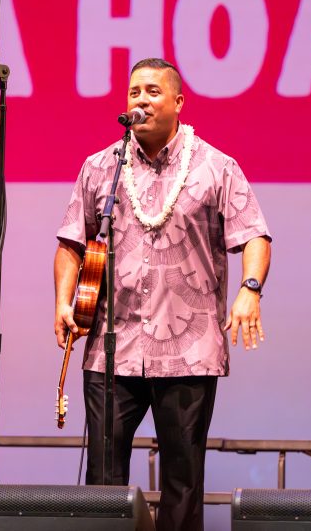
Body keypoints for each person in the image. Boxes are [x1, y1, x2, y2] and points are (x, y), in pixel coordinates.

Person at [54, 57, 271, 530]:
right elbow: (71, 243)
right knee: (103, 479)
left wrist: (250, 289)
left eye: (153, 91)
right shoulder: (101, 167)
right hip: (112, 350)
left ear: (178, 102)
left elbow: (255, 235)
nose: (141, 100)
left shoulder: (216, 166)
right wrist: (62, 301)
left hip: (188, 351)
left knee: (182, 478)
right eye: (134, 92)